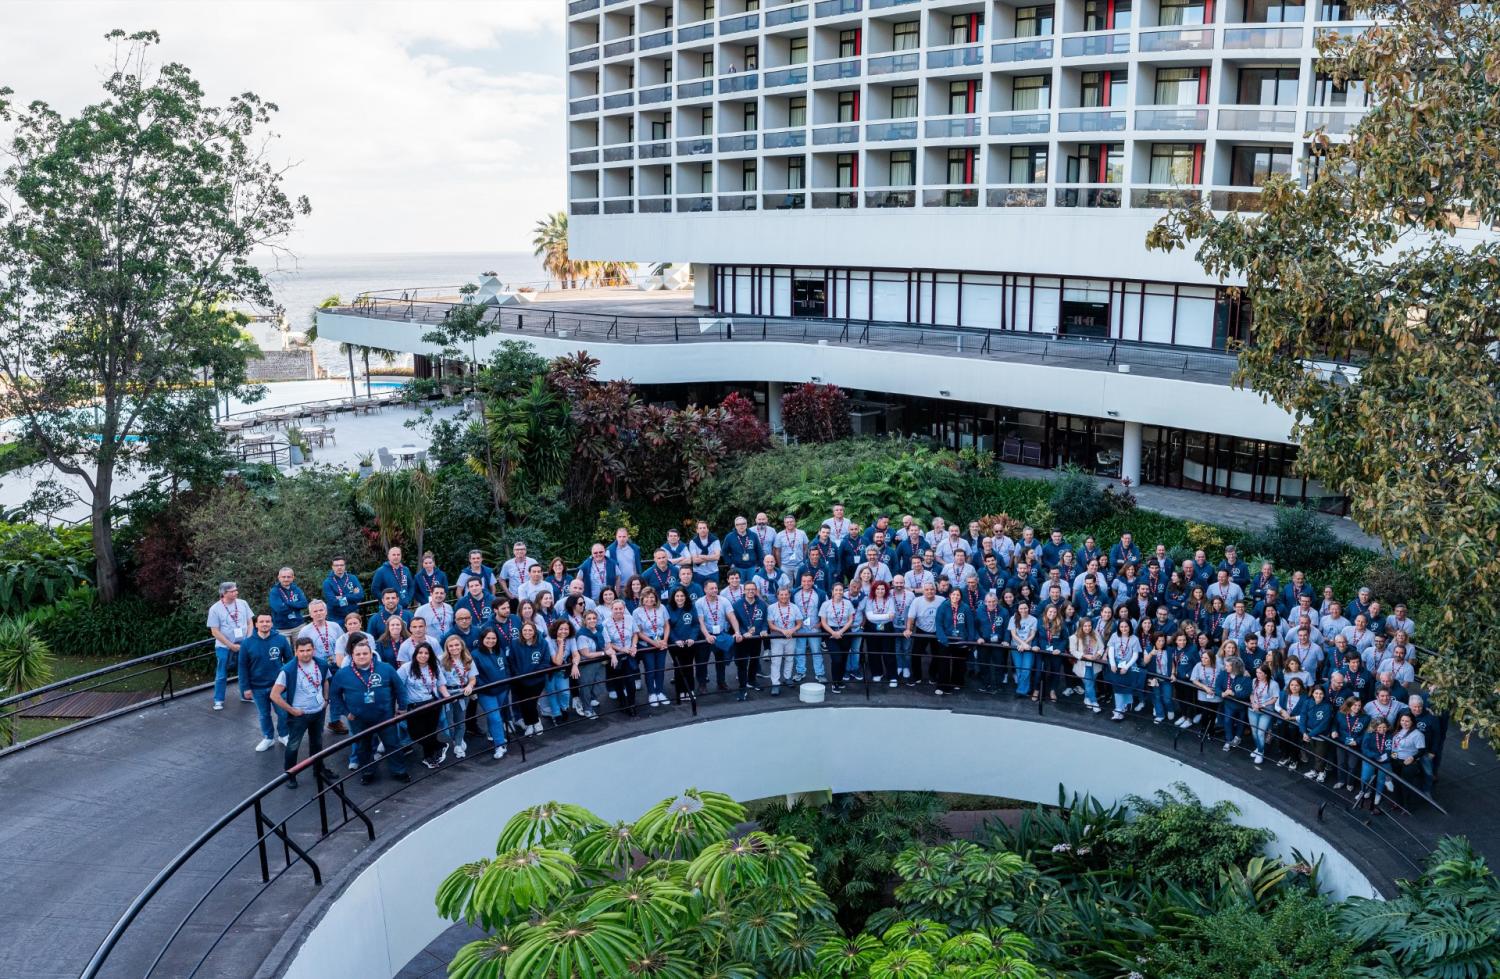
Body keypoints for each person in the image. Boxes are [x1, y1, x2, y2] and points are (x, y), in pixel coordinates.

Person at [329, 637, 410, 785]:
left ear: (371, 654)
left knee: (392, 744)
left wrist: (403, 707)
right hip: (358, 719)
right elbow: (334, 695)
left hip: (385, 716)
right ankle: (367, 771)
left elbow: (400, 689)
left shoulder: (386, 668)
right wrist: (346, 712)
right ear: (352, 656)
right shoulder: (343, 674)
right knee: (363, 748)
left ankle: (399, 771)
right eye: (358, 654)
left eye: (365, 654)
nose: (361, 657)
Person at [268, 637, 334, 789]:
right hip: (300, 715)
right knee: (293, 746)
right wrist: (292, 710)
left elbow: (325, 680)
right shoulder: (288, 670)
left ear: (313, 650)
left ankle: (318, 770)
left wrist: (326, 699)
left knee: (317, 743)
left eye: (308, 650)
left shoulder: (321, 664)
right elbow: (274, 695)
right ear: (296, 652)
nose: (305, 654)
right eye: (302, 651)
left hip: (318, 711)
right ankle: (290, 775)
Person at [238, 612, 292, 751]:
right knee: (264, 714)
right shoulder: (247, 643)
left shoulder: (280, 640)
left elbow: (290, 662)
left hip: (278, 686)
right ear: (256, 624)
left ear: (272, 623)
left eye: (268, 621)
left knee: (283, 713)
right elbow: (242, 667)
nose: (265, 624)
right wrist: (245, 688)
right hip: (257, 687)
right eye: (261, 621)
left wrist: (289, 682)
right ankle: (268, 738)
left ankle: (284, 735)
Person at [398, 642, 449, 769]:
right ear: (415, 654)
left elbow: (441, 684)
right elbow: (397, 686)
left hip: (432, 704)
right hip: (415, 707)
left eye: (426, 653)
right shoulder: (406, 668)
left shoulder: (434, 666)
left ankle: (429, 758)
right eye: (420, 652)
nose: (423, 655)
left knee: (430, 732)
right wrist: (400, 707)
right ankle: (439, 746)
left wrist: (448, 697)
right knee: (416, 734)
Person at [207, 581, 253, 711]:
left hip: (243, 643)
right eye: (232, 591)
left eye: (236, 590)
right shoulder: (215, 609)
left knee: (244, 670)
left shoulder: (243, 603)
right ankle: (218, 700)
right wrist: (230, 645)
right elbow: (214, 631)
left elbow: (250, 623)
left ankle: (245, 695)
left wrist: (248, 640)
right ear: (224, 593)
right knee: (222, 673)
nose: (236, 593)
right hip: (224, 646)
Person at [469, 626, 511, 759]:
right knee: (495, 717)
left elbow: (506, 667)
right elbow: (475, 675)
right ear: (482, 639)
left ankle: (492, 734)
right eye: (488, 638)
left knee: (494, 716)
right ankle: (500, 745)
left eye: (493, 638)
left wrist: (506, 681)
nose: (491, 641)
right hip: (486, 692)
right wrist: (482, 687)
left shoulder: (500, 650)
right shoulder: (475, 654)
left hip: (502, 689)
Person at [509, 620, 552, 735]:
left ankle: (536, 722)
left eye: (530, 630)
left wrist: (533, 674)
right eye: (525, 630)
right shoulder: (514, 643)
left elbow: (545, 662)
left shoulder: (543, 644)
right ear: (521, 631)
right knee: (524, 703)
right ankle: (530, 724)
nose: (527, 632)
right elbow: (511, 661)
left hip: (536, 680)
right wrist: (518, 675)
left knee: (531, 702)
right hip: (520, 680)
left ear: (534, 632)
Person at [695, 581, 739, 691]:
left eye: (716, 588)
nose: (715, 590)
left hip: (721, 634)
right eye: (712, 588)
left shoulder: (724, 601)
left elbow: (732, 617)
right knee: (702, 661)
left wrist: (737, 631)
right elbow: (700, 622)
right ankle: (702, 683)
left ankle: (721, 682)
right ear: (705, 590)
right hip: (706, 635)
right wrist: (707, 636)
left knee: (721, 660)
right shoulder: (699, 602)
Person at [438, 634, 476, 759]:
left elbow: (472, 678)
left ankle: (458, 744)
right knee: (448, 723)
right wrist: (447, 696)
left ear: (461, 646)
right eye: (451, 646)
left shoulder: (468, 659)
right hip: (447, 694)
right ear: (447, 648)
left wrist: (470, 686)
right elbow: (439, 681)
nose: (454, 648)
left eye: (456, 645)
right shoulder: (441, 660)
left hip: (462, 693)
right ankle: (455, 738)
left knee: (460, 720)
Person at [932, 587, 975, 696]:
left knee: (959, 662)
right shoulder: (943, 607)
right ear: (950, 595)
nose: (955, 597)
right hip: (946, 640)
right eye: (954, 594)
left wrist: (969, 641)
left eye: (958, 595)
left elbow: (970, 626)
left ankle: (957, 682)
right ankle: (942, 686)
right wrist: (943, 638)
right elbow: (938, 624)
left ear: (961, 596)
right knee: (944, 663)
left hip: (961, 640)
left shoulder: (965, 607)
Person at [601, 599, 640, 716]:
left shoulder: (630, 618)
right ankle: (622, 703)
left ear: (624, 609)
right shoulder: (605, 623)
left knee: (630, 681)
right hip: (616, 656)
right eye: (615, 609)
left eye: (620, 608)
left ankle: (632, 704)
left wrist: (634, 646)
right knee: (618, 682)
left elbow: (635, 634)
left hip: (629, 655)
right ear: (611, 610)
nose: (618, 611)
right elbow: (607, 643)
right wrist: (620, 649)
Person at [633, 588, 672, 706]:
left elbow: (667, 626)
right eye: (647, 597)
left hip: (661, 641)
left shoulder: (662, 608)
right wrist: (653, 642)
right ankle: (652, 693)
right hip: (647, 643)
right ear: (642, 599)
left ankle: (659, 691)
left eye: (652, 597)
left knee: (660, 668)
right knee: (650, 669)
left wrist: (665, 640)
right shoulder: (637, 612)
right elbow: (639, 632)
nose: (650, 599)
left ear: (655, 598)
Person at [819, 582, 857, 694]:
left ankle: (840, 680)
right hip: (830, 633)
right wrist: (833, 633)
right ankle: (834, 682)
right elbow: (823, 622)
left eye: (840, 590)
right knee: (836, 658)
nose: (839, 592)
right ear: (832, 591)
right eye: (836, 590)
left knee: (844, 658)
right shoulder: (826, 604)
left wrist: (841, 631)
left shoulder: (848, 603)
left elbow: (850, 620)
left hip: (845, 632)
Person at [666, 589, 701, 702]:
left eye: (682, 596)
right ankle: (680, 691)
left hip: (689, 643)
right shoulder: (668, 608)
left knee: (689, 667)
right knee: (679, 668)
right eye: (677, 596)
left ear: (686, 597)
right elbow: (668, 627)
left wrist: (692, 638)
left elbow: (696, 624)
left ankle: (690, 690)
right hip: (676, 644)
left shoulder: (692, 607)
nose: (680, 598)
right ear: (673, 597)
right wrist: (675, 640)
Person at [572, 608, 607, 716]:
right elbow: (586, 654)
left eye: (594, 618)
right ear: (585, 620)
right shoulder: (581, 634)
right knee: (586, 687)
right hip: (587, 664)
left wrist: (611, 653)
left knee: (600, 684)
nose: (592, 620)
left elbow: (607, 644)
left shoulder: (600, 629)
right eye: (589, 619)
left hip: (600, 663)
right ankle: (587, 709)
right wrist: (604, 654)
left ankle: (592, 698)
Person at [861, 580, 897, 687]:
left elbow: (892, 616)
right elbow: (869, 616)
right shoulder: (869, 600)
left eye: (882, 589)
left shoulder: (890, 599)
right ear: (874, 590)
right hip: (871, 628)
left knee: (889, 652)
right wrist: (886, 615)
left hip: (887, 627)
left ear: (886, 590)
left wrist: (877, 616)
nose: (880, 591)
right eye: (878, 589)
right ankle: (877, 673)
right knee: (873, 652)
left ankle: (892, 677)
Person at [1357, 716, 1394, 812]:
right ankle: (1364, 791)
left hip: (1384, 760)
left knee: (1381, 779)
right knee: (1365, 777)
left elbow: (1390, 749)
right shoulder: (1369, 734)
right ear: (1375, 727)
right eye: (1379, 727)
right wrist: (1375, 756)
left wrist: (1385, 757)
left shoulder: (1390, 735)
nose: (1382, 730)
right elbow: (1364, 748)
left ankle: (1378, 794)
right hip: (1370, 759)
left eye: (1384, 727)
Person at [1246, 663, 1281, 766]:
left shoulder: (1274, 684)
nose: (1257, 675)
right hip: (1253, 709)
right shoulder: (1254, 681)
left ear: (1266, 674)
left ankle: (1260, 753)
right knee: (1254, 731)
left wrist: (1262, 705)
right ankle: (1258, 747)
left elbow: (1275, 698)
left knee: (1261, 732)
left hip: (1266, 711)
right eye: (1257, 672)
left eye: (1260, 673)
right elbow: (1251, 694)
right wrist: (1253, 703)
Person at [1332, 696, 1369, 791]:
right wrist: (1334, 731)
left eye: (1359, 705)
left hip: (1355, 745)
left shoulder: (1366, 718)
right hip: (1341, 742)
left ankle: (1350, 783)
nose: (1357, 707)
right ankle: (1341, 781)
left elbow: (1366, 733)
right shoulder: (1340, 714)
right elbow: (1335, 724)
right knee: (1341, 763)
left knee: (1352, 765)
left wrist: (1357, 741)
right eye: (1354, 705)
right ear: (1349, 705)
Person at [1006, 600, 1039, 699]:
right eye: (1021, 608)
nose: (1023, 610)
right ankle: (1025, 689)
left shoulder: (1033, 619)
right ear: (1018, 609)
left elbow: (1033, 634)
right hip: (1016, 647)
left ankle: (1020, 691)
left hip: (1028, 647)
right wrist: (1022, 644)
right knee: (1019, 669)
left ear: (1028, 608)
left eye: (1025, 608)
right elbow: (1013, 635)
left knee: (1026, 669)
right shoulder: (1013, 618)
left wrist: (1025, 644)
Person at [268, 567, 310, 637]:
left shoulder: (296, 589)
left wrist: (288, 603)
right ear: (279, 577)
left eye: (288, 577)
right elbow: (279, 609)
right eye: (283, 577)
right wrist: (296, 606)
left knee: (302, 647)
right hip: (282, 629)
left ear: (293, 577)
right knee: (284, 648)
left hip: (298, 626)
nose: (286, 579)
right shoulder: (274, 591)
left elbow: (304, 604)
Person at [321, 557, 365, 621]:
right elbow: (333, 602)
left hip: (353, 615)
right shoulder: (327, 582)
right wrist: (352, 596)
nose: (339, 567)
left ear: (345, 566)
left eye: (341, 565)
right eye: (336, 565)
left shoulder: (352, 578)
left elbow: (360, 596)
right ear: (332, 567)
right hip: (336, 618)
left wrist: (342, 597)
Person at [687, 520, 722, 586]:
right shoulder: (693, 542)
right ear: (697, 530)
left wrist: (700, 556)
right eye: (700, 528)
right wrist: (711, 557)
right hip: (698, 573)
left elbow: (717, 557)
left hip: (713, 572)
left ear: (707, 529)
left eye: (704, 528)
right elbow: (695, 560)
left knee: (713, 593)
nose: (702, 530)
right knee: (699, 594)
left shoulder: (715, 540)